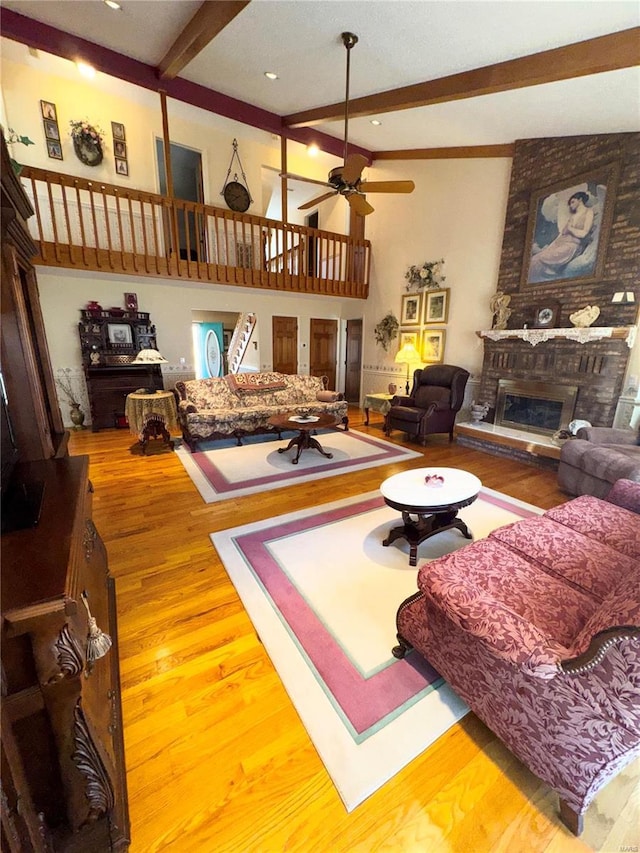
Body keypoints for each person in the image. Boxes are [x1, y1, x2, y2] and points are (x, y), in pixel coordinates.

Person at [528, 191, 595, 282]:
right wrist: (549, 247)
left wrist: (570, 228)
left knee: (541, 259)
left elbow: (584, 233)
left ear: (580, 199)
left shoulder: (588, 212)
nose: (571, 206)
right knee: (534, 260)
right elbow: (562, 234)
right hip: (559, 243)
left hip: (571, 245)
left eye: (572, 202)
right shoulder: (572, 216)